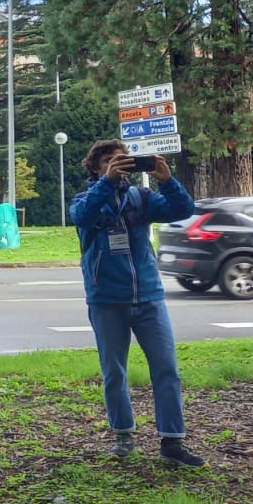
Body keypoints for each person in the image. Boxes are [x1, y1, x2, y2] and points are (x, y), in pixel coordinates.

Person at [70, 140, 204, 466]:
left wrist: (167, 179)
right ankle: (123, 436)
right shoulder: (86, 199)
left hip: (148, 297)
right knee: (114, 372)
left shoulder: (141, 198)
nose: (118, 165)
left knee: (167, 369)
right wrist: (107, 182)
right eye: (110, 162)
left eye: (123, 161)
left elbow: (182, 210)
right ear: (96, 168)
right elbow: (83, 217)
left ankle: (172, 442)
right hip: (106, 299)